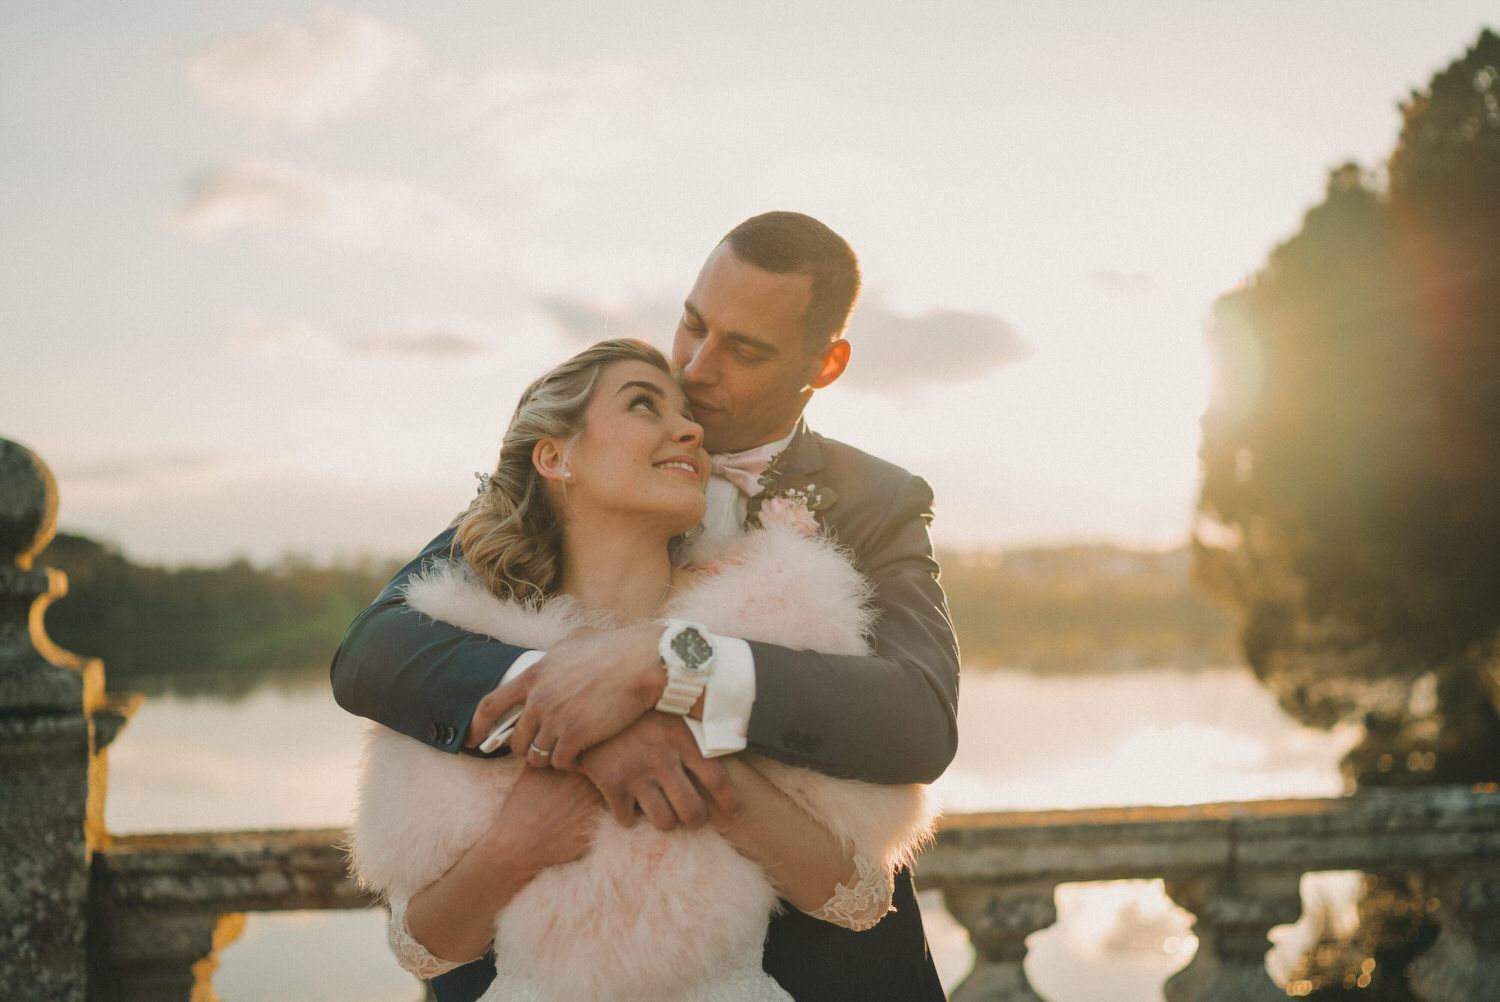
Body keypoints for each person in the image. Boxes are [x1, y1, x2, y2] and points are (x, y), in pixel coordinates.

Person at [332, 211, 960, 1000]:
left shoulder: (875, 501)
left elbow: (919, 719)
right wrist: (573, 715)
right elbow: (375, 649)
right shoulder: (577, 470)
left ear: (825, 363)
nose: (697, 369)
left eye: (746, 350)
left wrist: (668, 667)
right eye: (693, 325)